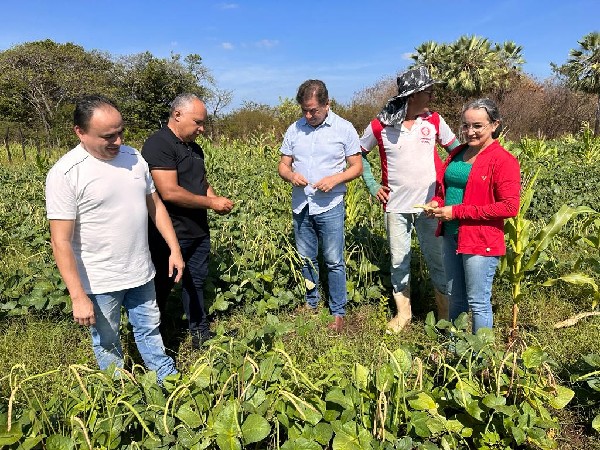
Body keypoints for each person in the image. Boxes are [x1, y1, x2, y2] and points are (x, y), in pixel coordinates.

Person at [46, 95, 184, 383]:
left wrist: (174, 248)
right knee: (107, 341)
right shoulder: (66, 173)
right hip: (100, 281)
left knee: (149, 330)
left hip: (141, 271)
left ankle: (167, 380)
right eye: (108, 136)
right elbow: (60, 241)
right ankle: (119, 391)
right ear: (80, 132)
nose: (118, 141)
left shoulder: (134, 158)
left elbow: (156, 206)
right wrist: (77, 296)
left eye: (121, 132)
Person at [360, 66, 460, 333]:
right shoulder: (380, 124)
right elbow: (358, 154)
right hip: (395, 207)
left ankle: (445, 315)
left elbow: (456, 152)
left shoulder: (434, 121)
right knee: (398, 261)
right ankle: (403, 314)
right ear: (413, 95)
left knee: (437, 259)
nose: (432, 96)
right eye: (428, 91)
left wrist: (448, 191)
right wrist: (372, 185)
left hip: (431, 206)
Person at [142, 93, 234, 349]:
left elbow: (201, 183)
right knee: (161, 286)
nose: (201, 129)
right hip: (169, 232)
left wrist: (215, 199)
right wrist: (211, 203)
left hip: (197, 230)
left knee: (196, 283)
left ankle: (200, 334)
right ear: (177, 115)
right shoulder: (158, 144)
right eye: (197, 122)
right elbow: (169, 192)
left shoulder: (194, 148)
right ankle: (155, 340)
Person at [427, 98, 520, 334]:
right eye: (466, 125)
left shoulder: (503, 161)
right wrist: (437, 203)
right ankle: (455, 348)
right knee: (455, 296)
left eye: (477, 126)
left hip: (480, 240)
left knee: (478, 301)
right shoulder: (458, 153)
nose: (470, 132)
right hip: (451, 235)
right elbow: (447, 189)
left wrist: (457, 212)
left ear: (494, 125)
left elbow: (509, 207)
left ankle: (481, 353)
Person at [278, 79, 363, 333]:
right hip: (302, 204)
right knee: (306, 258)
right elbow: (283, 165)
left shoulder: (344, 129)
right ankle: (311, 302)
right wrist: (291, 175)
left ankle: (338, 311)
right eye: (304, 110)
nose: (308, 115)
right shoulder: (294, 129)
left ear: (327, 104)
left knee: (333, 260)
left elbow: (357, 167)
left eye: (313, 110)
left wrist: (335, 179)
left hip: (330, 205)